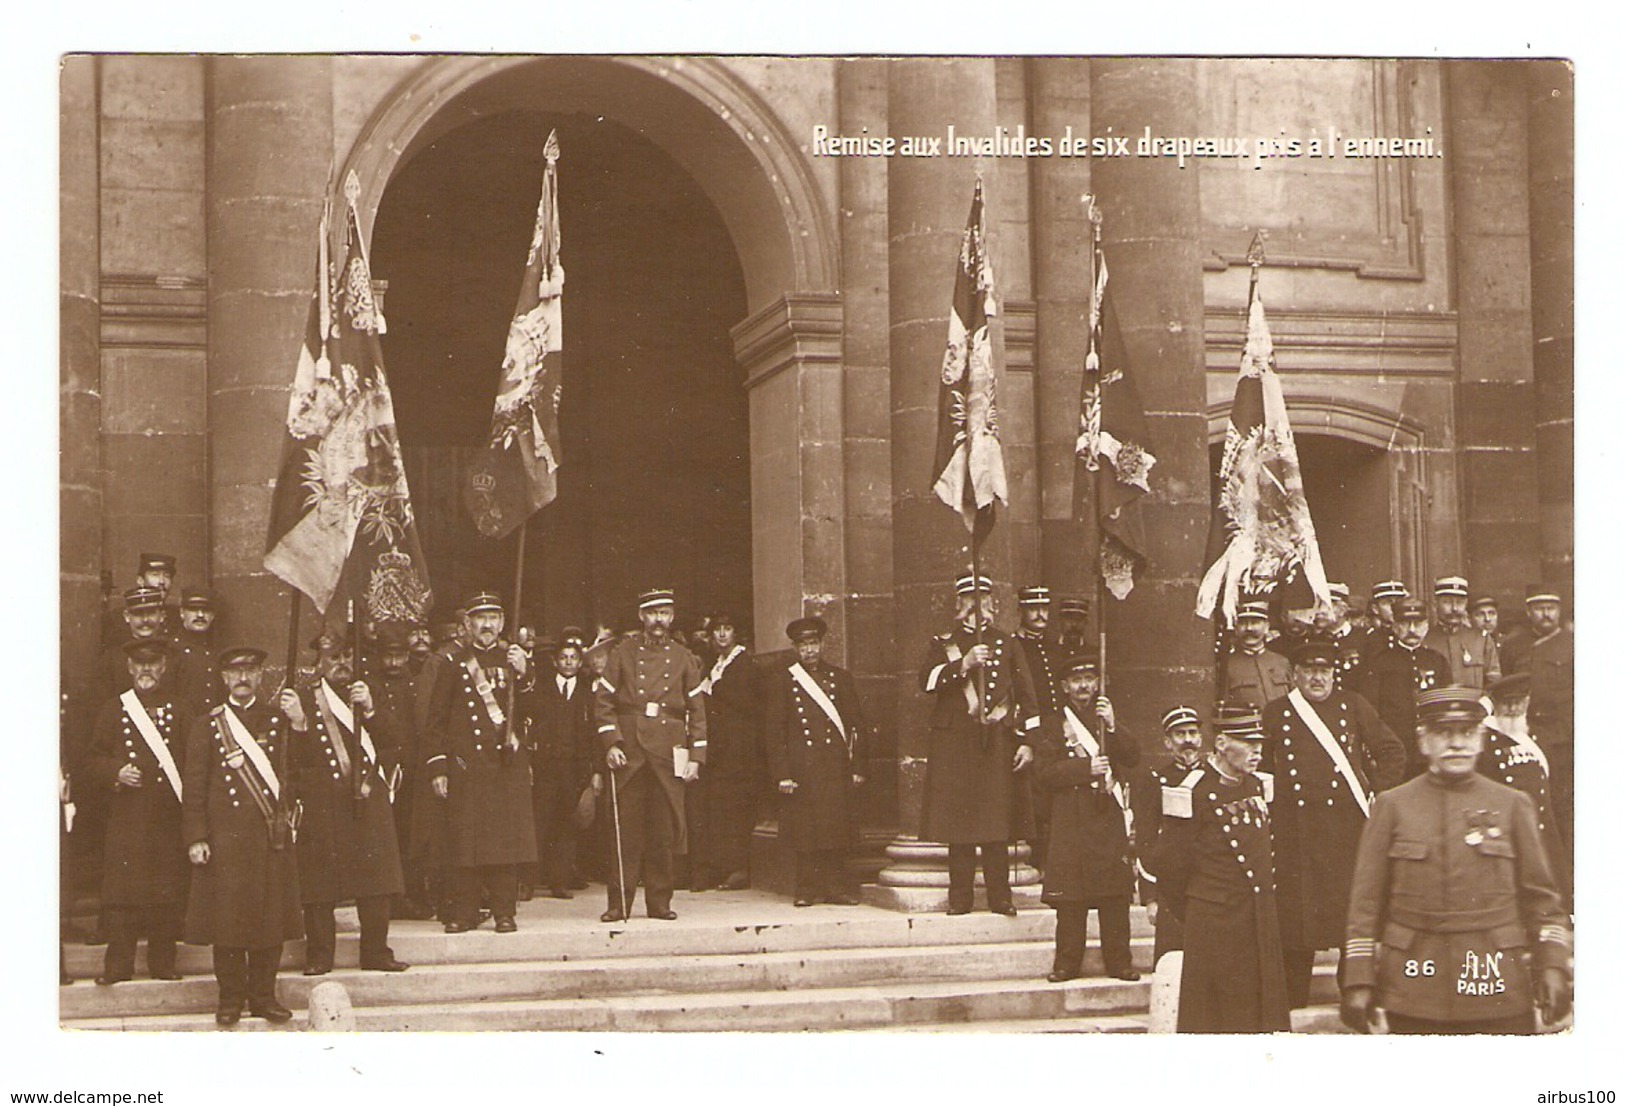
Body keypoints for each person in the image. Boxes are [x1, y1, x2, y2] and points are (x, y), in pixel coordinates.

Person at [1339, 687, 1572, 1035]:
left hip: (1496, 984)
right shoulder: (1393, 806)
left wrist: (1553, 966)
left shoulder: (1512, 805)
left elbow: (1542, 900)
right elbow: (1365, 904)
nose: (1456, 744)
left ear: (1480, 739)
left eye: (1466, 733)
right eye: (1443, 733)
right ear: (1423, 741)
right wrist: (1358, 979)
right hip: (1413, 986)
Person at [1260, 637, 1406, 1009]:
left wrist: (1379, 792)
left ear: (1334, 673)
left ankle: (1352, 992)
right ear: (1295, 675)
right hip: (1294, 828)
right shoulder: (1276, 712)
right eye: (1309, 671)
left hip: (1346, 827)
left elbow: (1391, 750)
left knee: (1348, 910)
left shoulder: (1353, 705)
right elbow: (1261, 767)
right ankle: (1292, 996)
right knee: (1295, 914)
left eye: (1324, 671)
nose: (1317, 678)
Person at [181, 647, 302, 1028]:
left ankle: (264, 997)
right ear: (223, 678)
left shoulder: (277, 720)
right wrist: (197, 837)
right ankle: (231, 998)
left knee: (270, 924)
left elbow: (298, 769)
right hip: (227, 842)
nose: (242, 678)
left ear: (261, 675)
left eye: (249, 670)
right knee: (228, 926)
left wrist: (298, 722)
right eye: (234, 672)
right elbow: (195, 788)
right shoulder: (208, 726)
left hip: (270, 838)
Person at [1152, 703, 1290, 1033]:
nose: (1257, 751)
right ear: (1223, 743)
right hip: (1215, 922)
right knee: (1216, 1019)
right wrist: (1202, 908)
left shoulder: (1258, 785)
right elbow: (1171, 867)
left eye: (1259, 743)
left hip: (1256, 917)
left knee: (1258, 1017)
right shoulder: (1191, 791)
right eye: (1248, 743)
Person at [284, 626, 408, 974]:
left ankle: (376, 952)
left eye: (346, 656)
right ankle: (320, 956)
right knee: (320, 886)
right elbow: (292, 761)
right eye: (333, 657)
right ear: (319, 662)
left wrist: (370, 709)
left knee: (375, 882)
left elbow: (395, 739)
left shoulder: (371, 692)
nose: (341, 663)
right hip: (323, 801)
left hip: (368, 797)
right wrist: (297, 725)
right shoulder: (304, 698)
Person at [918, 574, 1039, 916]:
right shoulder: (944, 644)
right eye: (968, 598)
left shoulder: (1007, 643)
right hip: (955, 746)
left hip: (996, 743)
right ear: (959, 604)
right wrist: (963, 664)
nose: (976, 604)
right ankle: (961, 897)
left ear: (991, 602)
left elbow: (1029, 698)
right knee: (960, 826)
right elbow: (925, 682)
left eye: (982, 597)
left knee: (996, 824)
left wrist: (1028, 743)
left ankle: (1000, 896)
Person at [425, 592, 538, 934]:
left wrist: (526, 674)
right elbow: (436, 721)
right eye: (480, 618)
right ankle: (465, 912)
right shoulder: (453, 664)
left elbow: (537, 713)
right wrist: (438, 767)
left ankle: (504, 911)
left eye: (493, 618)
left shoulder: (515, 660)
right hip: (467, 767)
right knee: (465, 844)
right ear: (467, 625)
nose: (487, 625)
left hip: (505, 764)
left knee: (504, 842)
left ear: (502, 623)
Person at [593, 588, 707, 922]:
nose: (659, 620)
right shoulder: (622, 653)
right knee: (624, 833)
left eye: (665, 613)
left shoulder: (684, 656)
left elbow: (697, 711)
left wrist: (697, 757)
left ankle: (659, 903)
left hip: (668, 752)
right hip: (629, 752)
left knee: (662, 832)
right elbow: (603, 703)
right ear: (641, 616)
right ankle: (619, 904)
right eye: (653, 613)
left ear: (672, 618)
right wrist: (612, 742)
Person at [84, 638, 191, 985]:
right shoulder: (113, 709)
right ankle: (117, 965)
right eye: (139, 664)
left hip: (167, 819)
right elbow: (91, 760)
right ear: (130, 667)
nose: (146, 669)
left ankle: (163, 962)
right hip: (127, 819)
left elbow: (194, 761)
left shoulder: (182, 710)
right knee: (122, 896)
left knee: (166, 894)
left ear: (164, 667)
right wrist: (115, 770)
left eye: (153, 663)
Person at [1034, 653, 1140, 982]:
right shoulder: (1052, 724)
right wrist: (1084, 769)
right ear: (1065, 687)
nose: (1084, 685)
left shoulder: (1105, 719)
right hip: (1071, 819)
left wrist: (1112, 724)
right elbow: (1044, 773)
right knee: (1071, 901)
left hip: (1106, 814)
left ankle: (1119, 961)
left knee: (1114, 897)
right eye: (1077, 679)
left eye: (1089, 678)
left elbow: (1133, 757)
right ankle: (1067, 962)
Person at [763, 617, 867, 906]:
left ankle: (835, 888)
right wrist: (781, 773)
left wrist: (858, 766)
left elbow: (856, 724)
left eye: (813, 643)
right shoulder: (783, 681)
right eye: (803, 645)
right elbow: (775, 732)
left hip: (835, 766)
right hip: (802, 768)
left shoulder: (840, 678)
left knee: (835, 829)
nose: (809, 650)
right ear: (795, 648)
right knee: (806, 832)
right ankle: (806, 889)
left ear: (822, 644)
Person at [689, 611, 761, 892]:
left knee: (736, 809)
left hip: (740, 750)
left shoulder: (745, 664)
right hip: (721, 750)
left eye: (727, 628)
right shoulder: (716, 665)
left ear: (735, 633)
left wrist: (715, 692)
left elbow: (748, 706)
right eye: (717, 629)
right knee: (720, 810)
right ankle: (725, 866)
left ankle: (738, 868)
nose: (721, 634)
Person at [1131, 705, 1208, 966]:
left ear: (1200, 738)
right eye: (1179, 734)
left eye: (1192, 733)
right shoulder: (1155, 780)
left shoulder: (1213, 777)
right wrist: (1150, 897)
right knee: (1173, 959)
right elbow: (1146, 839)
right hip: (1171, 886)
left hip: (1209, 882)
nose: (1187, 740)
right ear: (1167, 742)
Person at [1483, 672, 1568, 903]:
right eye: (1506, 703)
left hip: (1541, 837)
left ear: (1527, 702)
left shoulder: (1537, 739)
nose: (1512, 709)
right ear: (1495, 705)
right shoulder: (1485, 743)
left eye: (1517, 702)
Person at [369, 623, 435, 920]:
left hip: (412, 772)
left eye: (399, 656)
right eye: (388, 657)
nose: (394, 663)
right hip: (381, 774)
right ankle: (390, 898)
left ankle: (412, 894)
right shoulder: (370, 688)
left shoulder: (417, 684)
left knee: (413, 838)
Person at [528, 636, 595, 899]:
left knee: (566, 825)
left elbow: (591, 733)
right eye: (564, 658)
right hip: (546, 767)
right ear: (556, 661)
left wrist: (591, 772)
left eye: (573, 658)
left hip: (573, 770)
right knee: (539, 822)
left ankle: (560, 881)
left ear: (580, 663)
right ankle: (528, 882)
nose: (568, 663)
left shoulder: (587, 692)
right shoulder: (543, 688)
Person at [1359, 597, 1449, 777]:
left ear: (1426, 626)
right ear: (1395, 627)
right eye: (1406, 624)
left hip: (1430, 748)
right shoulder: (1381, 662)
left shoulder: (1437, 661)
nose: (1412, 630)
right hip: (1394, 748)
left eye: (1418, 623)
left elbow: (1446, 706)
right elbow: (1370, 709)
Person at [1519, 585, 1573, 876]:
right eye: (1539, 608)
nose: (1546, 614)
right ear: (1529, 612)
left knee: (1564, 811)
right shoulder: (1515, 645)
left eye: (1551, 607)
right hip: (1528, 738)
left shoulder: (1573, 644)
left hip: (1564, 741)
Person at [1423, 575, 1502, 690]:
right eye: (1447, 602)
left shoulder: (1481, 639)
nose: (1454, 608)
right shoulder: (1426, 640)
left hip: (1473, 706)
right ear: (1435, 605)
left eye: (1459, 603)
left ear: (1465, 604)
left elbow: (1494, 684)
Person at [1221, 600, 1293, 710]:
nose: (1249, 628)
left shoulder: (1282, 662)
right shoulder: (1227, 665)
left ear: (1267, 627)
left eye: (1255, 622)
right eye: (1243, 623)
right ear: (1236, 628)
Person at [172, 588, 221, 716]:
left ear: (213, 616)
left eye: (206, 610)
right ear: (182, 613)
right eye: (193, 610)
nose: (200, 615)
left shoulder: (214, 653)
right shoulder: (171, 650)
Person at [1359, 579, 1410, 659]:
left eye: (1398, 601)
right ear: (1375, 609)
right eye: (1387, 603)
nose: (1394, 607)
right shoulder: (1367, 640)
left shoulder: (1413, 636)